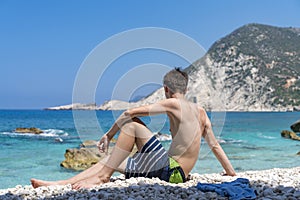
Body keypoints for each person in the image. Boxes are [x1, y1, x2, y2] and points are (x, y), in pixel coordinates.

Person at [31, 68, 236, 189]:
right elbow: (215, 145)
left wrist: (108, 135)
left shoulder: (172, 104)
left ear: (166, 89)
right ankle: (61, 183)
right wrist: (231, 173)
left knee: (130, 125)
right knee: (110, 160)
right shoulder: (201, 112)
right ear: (186, 88)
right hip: (177, 172)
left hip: (170, 170)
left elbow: (129, 113)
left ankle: (101, 177)